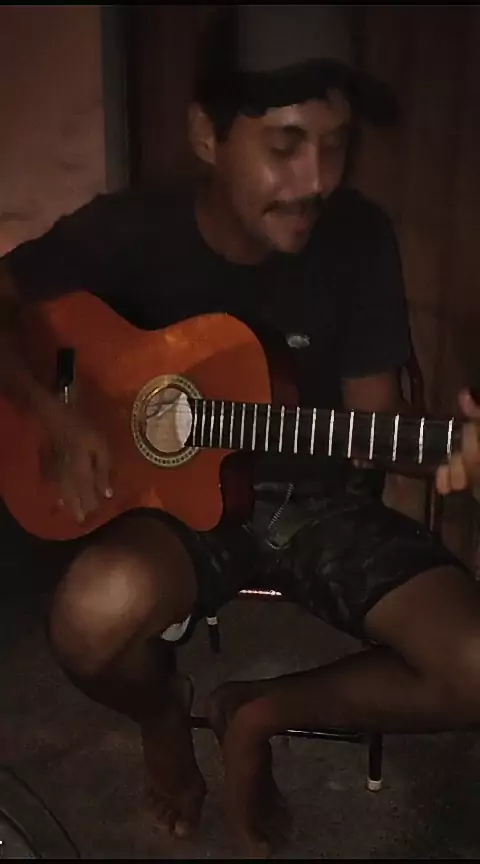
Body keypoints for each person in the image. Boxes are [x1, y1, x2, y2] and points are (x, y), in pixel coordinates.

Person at [1, 5, 480, 857]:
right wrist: (54, 412)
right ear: (207, 135)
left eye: (335, 144)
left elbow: (374, 425)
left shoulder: (359, 235)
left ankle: (255, 712)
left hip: (315, 498)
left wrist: (442, 449)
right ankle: (163, 717)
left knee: (474, 665)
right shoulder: (128, 228)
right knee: (89, 618)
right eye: (285, 144)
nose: (316, 178)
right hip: (176, 512)